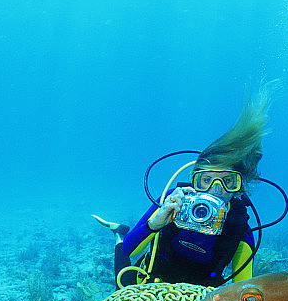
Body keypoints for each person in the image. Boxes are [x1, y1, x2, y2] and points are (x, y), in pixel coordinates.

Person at [95, 83, 276, 290]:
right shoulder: (175, 201)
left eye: (227, 181)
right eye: (206, 180)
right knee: (121, 277)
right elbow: (130, 251)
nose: (214, 190)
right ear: (194, 179)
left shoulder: (239, 230)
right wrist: (156, 223)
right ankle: (119, 233)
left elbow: (240, 292)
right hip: (146, 286)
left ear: (240, 186)